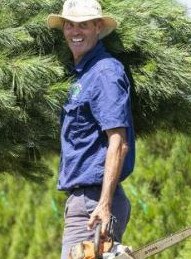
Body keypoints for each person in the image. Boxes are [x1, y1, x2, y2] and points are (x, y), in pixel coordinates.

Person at [47, 0, 136, 258]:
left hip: (93, 205)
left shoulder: (105, 73)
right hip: (82, 201)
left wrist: (104, 204)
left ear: (98, 27)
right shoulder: (80, 75)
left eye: (83, 25)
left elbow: (119, 142)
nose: (75, 32)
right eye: (70, 25)